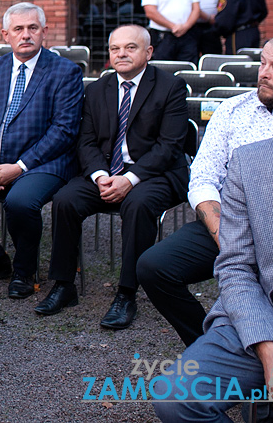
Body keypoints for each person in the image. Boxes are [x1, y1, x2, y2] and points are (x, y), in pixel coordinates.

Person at [152, 50, 273, 422]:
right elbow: (236, 263)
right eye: (262, 62)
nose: (264, 73)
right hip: (267, 292)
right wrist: (265, 346)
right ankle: (209, 345)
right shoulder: (250, 155)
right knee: (174, 395)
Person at [34, 25, 188, 329]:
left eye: (130, 47)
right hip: (106, 171)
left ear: (148, 52)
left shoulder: (170, 87)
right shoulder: (97, 89)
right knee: (65, 199)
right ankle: (64, 285)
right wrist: (101, 175)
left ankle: (126, 293)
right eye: (115, 48)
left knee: (138, 205)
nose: (121, 54)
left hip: (153, 174)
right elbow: (86, 142)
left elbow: (169, 147)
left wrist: (129, 180)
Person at [0, 2, 84, 298]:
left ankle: (24, 273)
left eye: (33, 28)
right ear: (6, 35)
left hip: (43, 163)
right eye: (18, 29)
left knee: (20, 202)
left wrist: (21, 166)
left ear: (44, 32)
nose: (25, 34)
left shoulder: (65, 71)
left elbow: (64, 131)